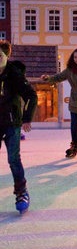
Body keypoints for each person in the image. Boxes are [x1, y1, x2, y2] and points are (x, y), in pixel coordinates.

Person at [0, 40, 38, 214]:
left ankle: (21, 192)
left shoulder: (13, 74)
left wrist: (26, 118)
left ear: (6, 57)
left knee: (13, 159)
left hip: (11, 122)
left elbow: (31, 95)